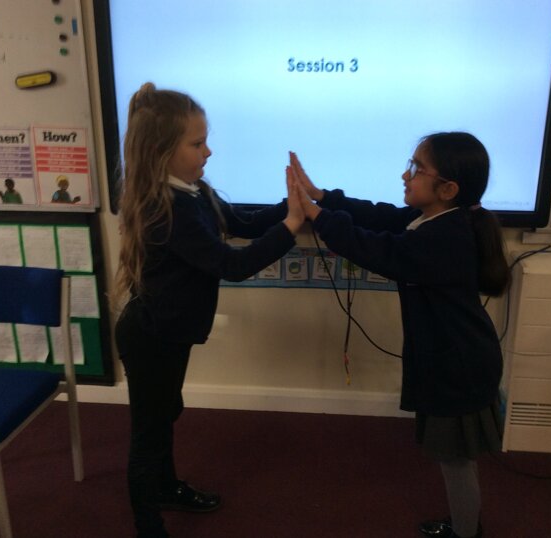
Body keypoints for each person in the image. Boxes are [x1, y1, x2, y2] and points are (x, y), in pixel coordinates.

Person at [290, 132, 510, 538]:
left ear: (448, 189)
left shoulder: (443, 238)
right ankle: (465, 524)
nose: (405, 175)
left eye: (417, 169)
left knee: (456, 461)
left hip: (458, 365)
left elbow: (376, 249)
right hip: (455, 357)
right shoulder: (437, 219)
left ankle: (466, 532)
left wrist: (315, 214)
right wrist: (323, 196)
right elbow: (380, 217)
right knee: (455, 457)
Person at [113, 83, 305, 538]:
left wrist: (292, 203)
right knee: (149, 434)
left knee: (166, 415)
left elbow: (243, 223)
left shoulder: (194, 190)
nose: (208, 151)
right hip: (150, 337)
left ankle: (166, 488)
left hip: (171, 332)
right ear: (162, 152)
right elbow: (231, 265)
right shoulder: (167, 207)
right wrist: (292, 226)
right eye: (197, 144)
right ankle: (148, 525)